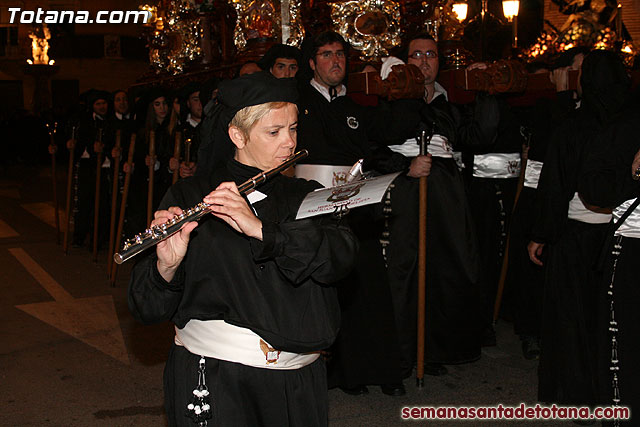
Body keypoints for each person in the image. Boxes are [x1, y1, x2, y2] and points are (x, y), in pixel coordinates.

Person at [128, 72, 357, 427]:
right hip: (219, 380)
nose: (289, 142)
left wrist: (260, 230)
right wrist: (167, 268)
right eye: (274, 131)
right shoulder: (191, 196)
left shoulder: (307, 195)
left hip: (298, 382)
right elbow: (145, 308)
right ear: (237, 135)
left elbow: (340, 258)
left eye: (293, 128)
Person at [295, 31, 422, 397]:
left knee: (366, 288)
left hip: (354, 209)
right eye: (326, 54)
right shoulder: (297, 103)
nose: (335, 61)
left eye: (340, 54)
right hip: (312, 213)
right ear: (312, 63)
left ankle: (380, 369)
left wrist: (406, 162)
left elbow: (375, 144)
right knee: (325, 291)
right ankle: (340, 373)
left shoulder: (354, 109)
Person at [379, 33, 499, 378]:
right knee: (404, 271)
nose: (424, 60)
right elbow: (371, 144)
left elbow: (481, 136)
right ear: (405, 61)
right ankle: (402, 353)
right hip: (405, 193)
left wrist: (485, 91)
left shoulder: (448, 105)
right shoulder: (389, 99)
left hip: (445, 197)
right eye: (416, 55)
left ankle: (431, 348)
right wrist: (405, 167)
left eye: (430, 54)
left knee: (445, 268)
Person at [528, 50, 630, 408]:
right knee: (612, 323)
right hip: (622, 237)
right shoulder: (631, 123)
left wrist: (541, 234)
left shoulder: (574, 125)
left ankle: (577, 396)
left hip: (577, 236)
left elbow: (554, 186)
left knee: (574, 321)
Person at [579, 94, 640, 426]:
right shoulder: (624, 123)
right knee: (625, 355)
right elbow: (594, 187)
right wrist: (632, 174)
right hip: (632, 246)